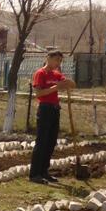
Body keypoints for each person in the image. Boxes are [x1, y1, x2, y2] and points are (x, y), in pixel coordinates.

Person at [29, 48, 75, 185]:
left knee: (51, 142)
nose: (58, 63)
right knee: (42, 141)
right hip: (45, 109)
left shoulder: (56, 74)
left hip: (55, 109)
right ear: (48, 58)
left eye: (60, 61)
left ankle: (44, 171)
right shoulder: (40, 73)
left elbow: (72, 85)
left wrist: (67, 82)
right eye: (56, 60)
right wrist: (56, 87)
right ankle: (35, 173)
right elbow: (39, 94)